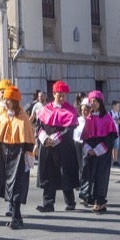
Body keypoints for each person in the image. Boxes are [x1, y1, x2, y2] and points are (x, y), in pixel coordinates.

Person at [0, 84, 34, 228]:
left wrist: (28, 154)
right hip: (4, 155)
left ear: (15, 101)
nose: (5, 103)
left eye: (8, 100)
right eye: (5, 100)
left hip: (19, 155)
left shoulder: (23, 118)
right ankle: (16, 218)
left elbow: (28, 139)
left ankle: (15, 217)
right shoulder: (2, 117)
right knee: (7, 186)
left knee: (17, 186)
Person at [34, 81, 79, 212]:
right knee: (48, 173)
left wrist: (56, 138)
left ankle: (70, 202)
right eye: (59, 95)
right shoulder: (45, 109)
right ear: (54, 94)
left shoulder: (70, 110)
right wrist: (44, 138)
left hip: (64, 146)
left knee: (65, 173)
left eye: (64, 96)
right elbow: (39, 126)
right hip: (48, 146)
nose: (62, 98)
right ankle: (48, 203)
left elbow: (70, 129)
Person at [78, 90, 119, 212]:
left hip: (102, 153)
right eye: (91, 101)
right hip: (90, 151)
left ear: (100, 102)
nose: (93, 103)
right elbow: (85, 136)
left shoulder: (107, 118)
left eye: (95, 101)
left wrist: (97, 150)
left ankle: (100, 201)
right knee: (90, 174)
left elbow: (110, 138)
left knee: (101, 176)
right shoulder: (89, 118)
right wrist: (88, 149)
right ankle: (90, 198)